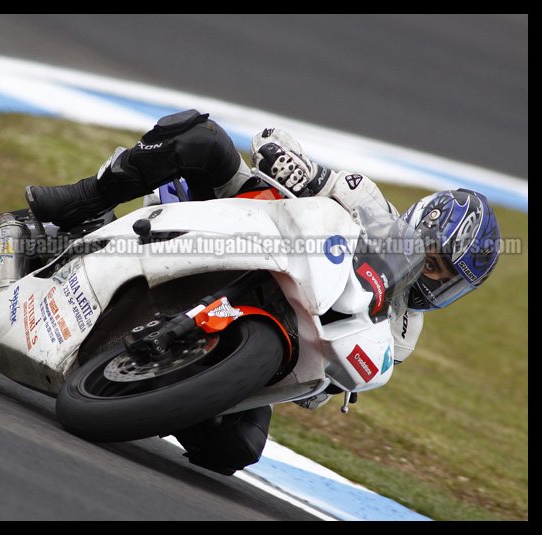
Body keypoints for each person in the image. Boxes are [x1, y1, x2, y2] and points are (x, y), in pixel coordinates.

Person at [26, 109, 501, 475]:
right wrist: (288, 164)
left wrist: (325, 377)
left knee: (237, 450)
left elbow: (315, 390)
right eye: (434, 263)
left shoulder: (402, 333)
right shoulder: (368, 201)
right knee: (202, 137)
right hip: (239, 229)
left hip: (268, 323)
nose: (434, 281)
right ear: (415, 230)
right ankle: (84, 199)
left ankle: (157, 382)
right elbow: (272, 141)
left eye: (449, 280)